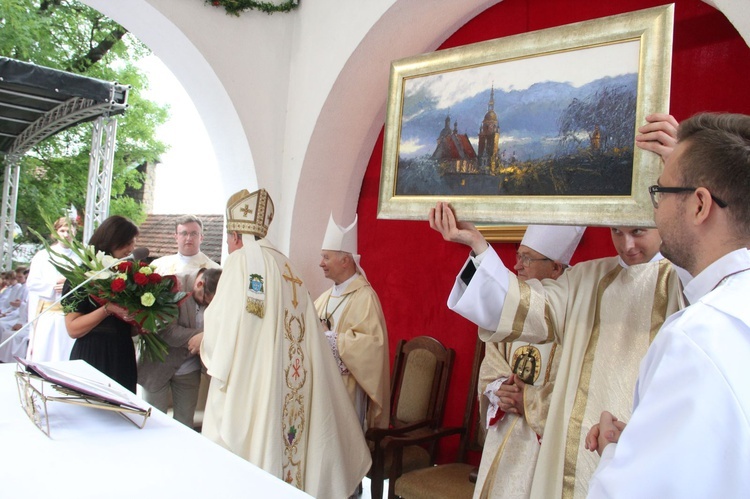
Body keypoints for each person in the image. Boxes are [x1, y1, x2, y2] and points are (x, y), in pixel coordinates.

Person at [429, 208, 685, 498]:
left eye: (637, 232)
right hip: (570, 445)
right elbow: (532, 307)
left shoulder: (682, 282)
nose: (627, 245)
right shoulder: (588, 277)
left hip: (642, 446)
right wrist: (478, 246)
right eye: (617, 232)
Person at [585, 113, 750, 496]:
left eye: (660, 193)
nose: (655, 209)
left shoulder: (697, 338)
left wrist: (614, 453)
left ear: (699, 205)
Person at [200, 188, 370, 498]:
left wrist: (207, 345)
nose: (228, 244)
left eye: (228, 237)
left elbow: (222, 331)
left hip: (254, 387)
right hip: (293, 384)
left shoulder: (241, 263)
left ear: (236, 235)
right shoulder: (287, 265)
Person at [474, 225, 584, 499]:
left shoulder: (575, 314)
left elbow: (580, 383)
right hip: (503, 432)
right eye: (518, 255)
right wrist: (499, 389)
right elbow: (493, 360)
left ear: (556, 268)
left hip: (543, 444)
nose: (517, 265)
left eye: (527, 258)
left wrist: (530, 400)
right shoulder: (514, 306)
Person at [314, 213, 390, 431]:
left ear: (345, 261)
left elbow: (372, 347)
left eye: (326, 257)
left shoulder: (365, 297)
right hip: (322, 386)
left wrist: (329, 338)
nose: (321, 263)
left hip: (346, 391)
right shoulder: (326, 297)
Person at [63, 215, 140, 393]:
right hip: (93, 353)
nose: (131, 249)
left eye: (133, 243)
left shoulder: (128, 275)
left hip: (122, 353)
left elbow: (130, 327)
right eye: (127, 243)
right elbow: (73, 329)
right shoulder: (80, 276)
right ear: (111, 241)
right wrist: (107, 309)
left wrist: (142, 320)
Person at [138, 267, 221, 428]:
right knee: (153, 423)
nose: (206, 305)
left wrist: (205, 336)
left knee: (185, 424)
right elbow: (167, 331)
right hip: (157, 366)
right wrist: (203, 334)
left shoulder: (219, 294)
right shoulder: (172, 285)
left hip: (189, 370)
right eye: (204, 300)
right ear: (199, 284)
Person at [26, 217, 79, 361]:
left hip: (72, 316)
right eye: (62, 230)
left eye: (69, 231)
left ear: (75, 233)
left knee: (66, 356)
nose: (66, 234)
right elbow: (32, 283)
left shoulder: (81, 257)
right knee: (45, 354)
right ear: (54, 233)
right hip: (49, 313)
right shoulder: (43, 255)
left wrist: (69, 286)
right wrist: (54, 285)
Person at [150, 215, 220, 275]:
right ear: (176, 237)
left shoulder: (215, 270)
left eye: (193, 234)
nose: (189, 238)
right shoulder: (158, 266)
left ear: (201, 238)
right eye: (184, 233)